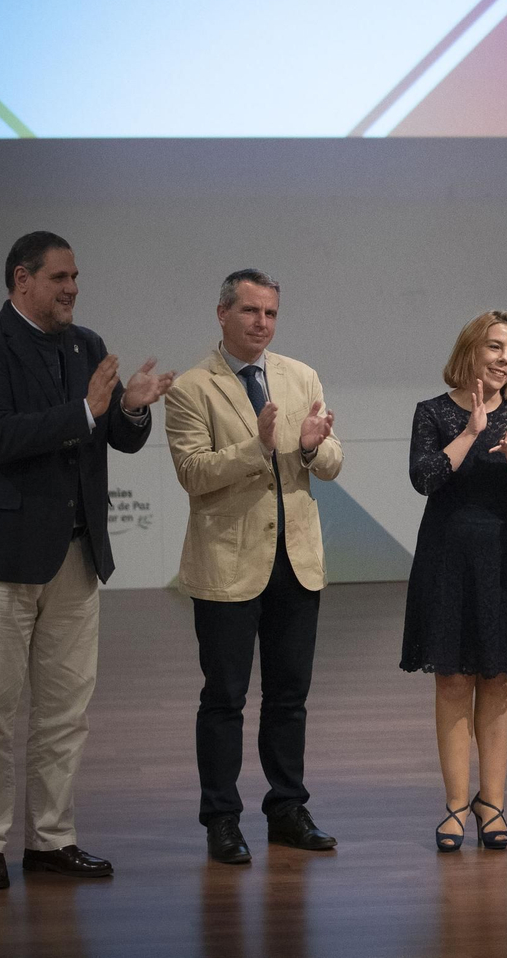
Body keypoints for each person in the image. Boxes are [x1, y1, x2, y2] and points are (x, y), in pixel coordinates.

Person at [0, 230, 174, 889]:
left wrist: (129, 409)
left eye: (77, 277)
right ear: (23, 280)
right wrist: (85, 409)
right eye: (60, 278)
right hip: (0, 558)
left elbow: (114, 437)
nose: (73, 288)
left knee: (64, 710)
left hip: (76, 556)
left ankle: (50, 840)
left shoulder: (88, 346)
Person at [164, 269, 344, 864]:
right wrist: (257, 449)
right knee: (225, 698)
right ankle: (220, 818)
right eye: (249, 312)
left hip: (296, 561)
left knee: (289, 697)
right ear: (222, 313)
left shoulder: (301, 375)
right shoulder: (193, 387)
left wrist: (314, 445)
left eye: (270, 313)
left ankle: (287, 807)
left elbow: (332, 462)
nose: (261, 323)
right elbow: (192, 473)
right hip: (227, 566)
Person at [402, 311, 507, 851]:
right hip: (445, 557)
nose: (504, 358)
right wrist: (470, 432)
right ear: (471, 349)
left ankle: (493, 803)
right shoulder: (433, 413)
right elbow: (426, 478)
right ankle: (454, 805)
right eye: (495, 346)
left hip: (503, 558)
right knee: (452, 680)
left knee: (497, 678)